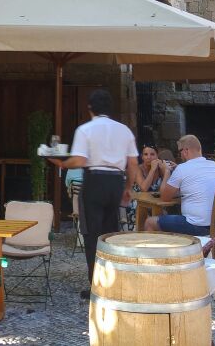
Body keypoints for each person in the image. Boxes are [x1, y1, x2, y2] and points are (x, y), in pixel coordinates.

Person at [49, 89, 139, 299]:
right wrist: (128, 187)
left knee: (92, 235)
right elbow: (133, 163)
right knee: (110, 234)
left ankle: (97, 286)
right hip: (116, 181)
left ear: (90, 108)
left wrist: (62, 162)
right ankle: (113, 283)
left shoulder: (85, 129)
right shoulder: (124, 130)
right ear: (110, 108)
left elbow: (79, 161)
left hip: (94, 181)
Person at [142, 134, 215, 235]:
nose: (180, 155)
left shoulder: (182, 168)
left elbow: (165, 197)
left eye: (180, 151)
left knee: (150, 222)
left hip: (199, 226)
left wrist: (167, 172)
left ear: (186, 150)